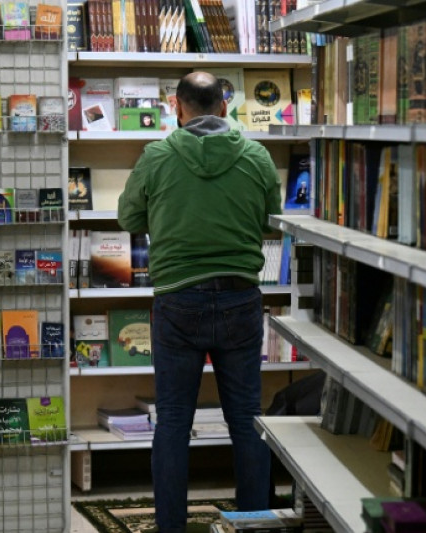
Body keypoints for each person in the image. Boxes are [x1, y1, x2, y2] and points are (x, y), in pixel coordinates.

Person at [117, 71, 282, 533]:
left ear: (177, 107)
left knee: (172, 422)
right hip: (240, 297)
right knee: (247, 419)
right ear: (225, 107)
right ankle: (253, 523)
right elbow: (272, 221)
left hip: (177, 299)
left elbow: (128, 215)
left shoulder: (157, 155)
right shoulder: (256, 155)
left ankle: (170, 527)